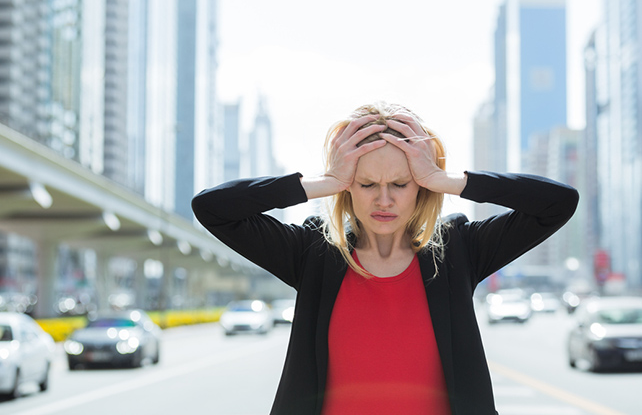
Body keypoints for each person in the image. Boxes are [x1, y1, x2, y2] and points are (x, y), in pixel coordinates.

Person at [191, 102, 579, 415]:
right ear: (348, 187)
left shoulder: (458, 249)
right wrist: (322, 183)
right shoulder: (314, 253)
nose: (384, 199)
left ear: (421, 186)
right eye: (366, 184)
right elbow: (213, 208)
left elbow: (558, 203)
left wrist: (448, 180)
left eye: (400, 183)